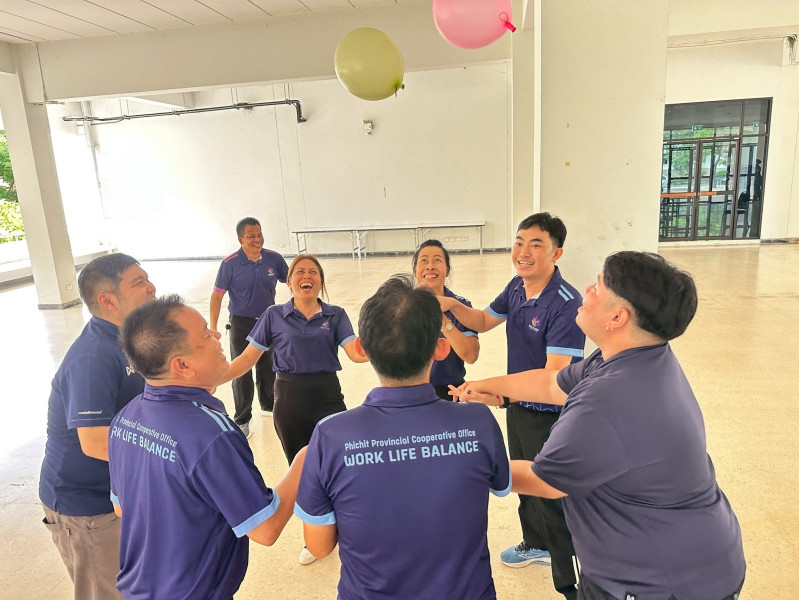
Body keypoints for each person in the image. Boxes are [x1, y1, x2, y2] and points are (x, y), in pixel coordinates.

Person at [454, 251, 746, 600]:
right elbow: (551, 384)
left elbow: (544, 480)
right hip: (688, 551)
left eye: (598, 285)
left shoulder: (607, 399)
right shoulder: (633, 356)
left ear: (618, 317)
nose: (587, 291)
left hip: (660, 580)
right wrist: (482, 386)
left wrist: (457, 462)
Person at [294, 275, 511, 599]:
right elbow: (501, 485)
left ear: (362, 348)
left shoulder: (331, 436)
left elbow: (318, 545)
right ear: (440, 348)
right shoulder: (477, 421)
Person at [108, 295, 305, 600]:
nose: (217, 336)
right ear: (182, 365)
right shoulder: (212, 436)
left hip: (139, 588)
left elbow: (122, 507)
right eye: (205, 335)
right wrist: (305, 458)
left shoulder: (126, 417)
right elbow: (265, 528)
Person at [437, 212, 584, 599]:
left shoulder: (565, 303)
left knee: (550, 490)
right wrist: (449, 305)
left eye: (536, 245)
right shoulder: (517, 287)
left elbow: (554, 380)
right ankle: (535, 542)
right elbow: (483, 320)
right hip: (519, 406)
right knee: (521, 476)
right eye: (519, 243)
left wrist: (494, 392)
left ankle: (570, 577)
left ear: (556, 253)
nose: (523, 252)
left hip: (550, 414)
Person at [219, 253, 367, 565]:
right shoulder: (273, 315)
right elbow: (247, 359)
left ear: (321, 281)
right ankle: (314, 537)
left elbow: (356, 352)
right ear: (289, 281)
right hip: (288, 398)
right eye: (300, 271)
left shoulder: (336, 315)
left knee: (338, 465)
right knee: (303, 472)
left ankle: (347, 529)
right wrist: (215, 378)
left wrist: (380, 344)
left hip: (329, 397)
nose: (307, 276)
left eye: (313, 272)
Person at [38, 253, 156, 600]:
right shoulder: (93, 357)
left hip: (119, 490)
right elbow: (94, 442)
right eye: (138, 283)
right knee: (107, 592)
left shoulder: (129, 338)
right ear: (107, 300)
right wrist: (168, 459)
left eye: (147, 278)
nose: (151, 288)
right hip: (87, 507)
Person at [210, 217, 289, 439]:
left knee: (268, 365)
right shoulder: (230, 263)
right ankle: (242, 418)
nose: (257, 240)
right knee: (240, 370)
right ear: (240, 239)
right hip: (240, 322)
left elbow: (291, 281)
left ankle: (269, 405)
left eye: (259, 234)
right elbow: (217, 296)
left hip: (267, 320)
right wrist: (213, 329)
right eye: (251, 236)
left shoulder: (273, 258)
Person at [412, 239, 479, 399]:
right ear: (415, 271)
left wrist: (441, 319)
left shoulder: (461, 306)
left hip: (450, 391)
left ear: (447, 270)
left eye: (437, 260)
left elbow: (470, 355)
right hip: (412, 392)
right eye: (424, 261)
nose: (430, 266)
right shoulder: (403, 306)